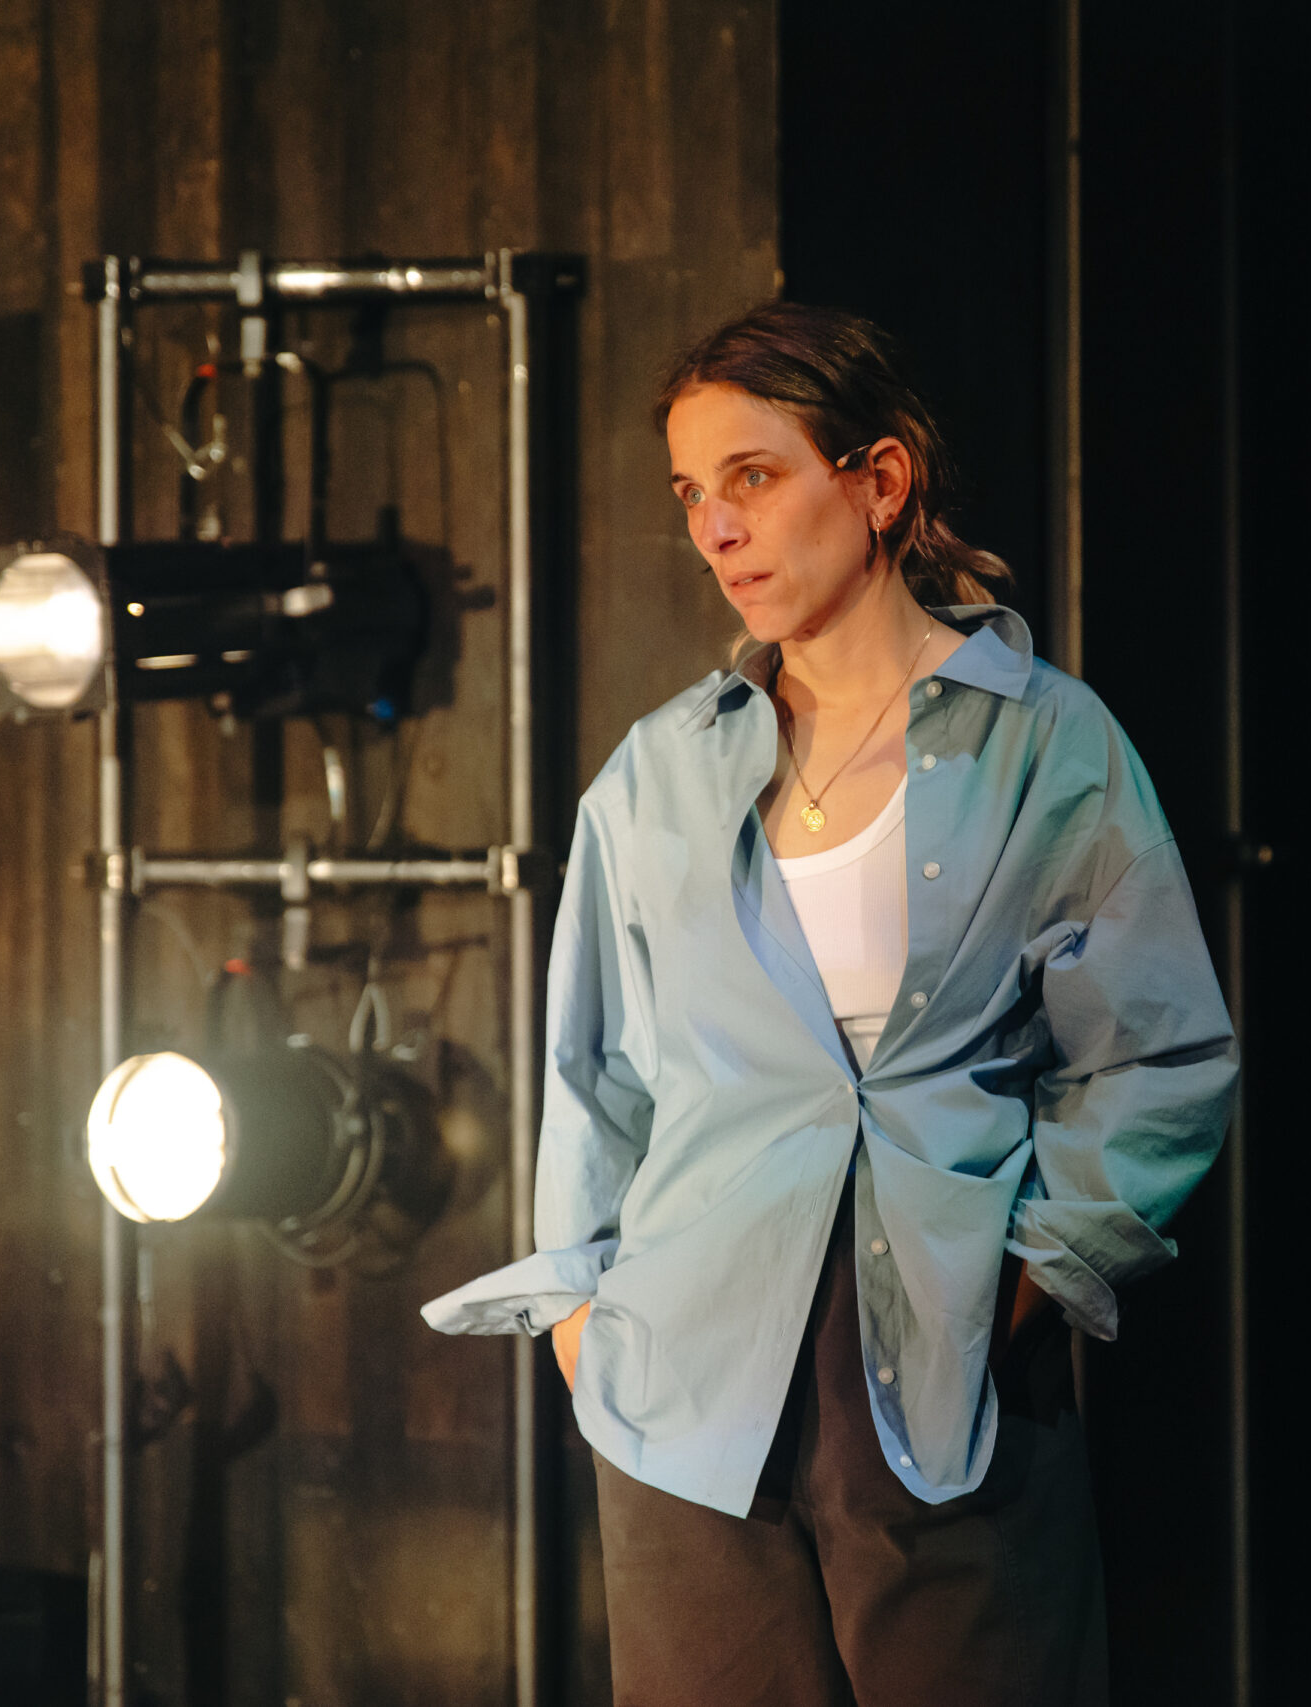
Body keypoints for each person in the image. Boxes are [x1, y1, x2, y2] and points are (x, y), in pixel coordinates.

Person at [424, 302, 1235, 1705]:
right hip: (688, 1376)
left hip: (942, 1362)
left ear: (878, 481)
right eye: (692, 493)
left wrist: (1027, 1281)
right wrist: (582, 1320)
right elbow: (591, 1074)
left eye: (753, 475)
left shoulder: (1043, 743)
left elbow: (1156, 1052)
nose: (716, 528)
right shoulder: (660, 773)